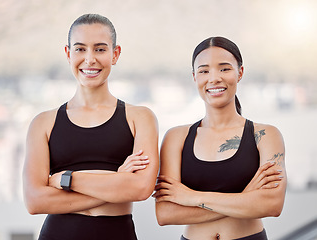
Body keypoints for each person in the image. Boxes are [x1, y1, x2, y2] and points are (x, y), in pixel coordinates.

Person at [22, 14, 159, 240]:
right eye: (80, 49)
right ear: (68, 54)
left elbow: (141, 188)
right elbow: (35, 201)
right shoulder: (43, 123)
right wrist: (117, 179)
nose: (90, 59)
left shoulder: (140, 118)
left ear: (115, 54)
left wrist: (67, 179)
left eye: (100, 49)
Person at [153, 36, 286, 240]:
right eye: (204, 71)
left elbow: (271, 205)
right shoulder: (176, 138)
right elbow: (166, 214)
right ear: (194, 77)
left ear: (240, 72)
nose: (214, 78)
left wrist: (192, 197)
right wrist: (244, 199)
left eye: (224, 69)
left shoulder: (266, 135)